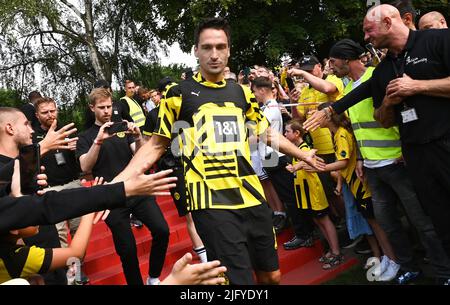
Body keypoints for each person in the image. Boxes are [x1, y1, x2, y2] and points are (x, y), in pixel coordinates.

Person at [109, 17, 323, 285]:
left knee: (272, 275)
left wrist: (303, 154)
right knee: (239, 281)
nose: (214, 54)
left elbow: (265, 133)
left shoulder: (242, 93)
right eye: (207, 47)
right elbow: (155, 145)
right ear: (196, 51)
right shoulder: (179, 94)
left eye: (220, 47)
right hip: (211, 204)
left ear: (229, 50)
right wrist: (116, 184)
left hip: (252, 196)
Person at [304, 4, 450, 284]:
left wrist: (418, 87)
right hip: (412, 156)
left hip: (441, 146)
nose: (367, 39)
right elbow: (376, 111)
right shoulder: (384, 70)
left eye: (369, 31)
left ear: (388, 22)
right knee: (436, 219)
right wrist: (386, 103)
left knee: (426, 221)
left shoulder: (437, 40)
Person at [1, 160, 227, 285]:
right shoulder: (17, 259)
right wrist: (175, 282)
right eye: (31, 213)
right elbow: (76, 252)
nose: (40, 222)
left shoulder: (17, 252)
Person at [77, 88, 170, 285]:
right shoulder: (86, 137)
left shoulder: (122, 128)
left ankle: (153, 277)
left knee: (162, 230)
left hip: (137, 189)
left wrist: (137, 137)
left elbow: (141, 154)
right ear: (92, 108)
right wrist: (98, 141)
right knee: (127, 250)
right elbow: (85, 166)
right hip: (111, 198)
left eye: (109, 106)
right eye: (101, 107)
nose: (106, 111)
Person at [284, 119, 343, 270]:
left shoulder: (305, 148)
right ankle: (331, 250)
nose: (284, 134)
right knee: (318, 221)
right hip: (305, 193)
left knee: (324, 220)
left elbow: (316, 159)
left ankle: (336, 253)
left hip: (313, 192)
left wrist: (298, 165)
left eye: (287, 131)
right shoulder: (296, 149)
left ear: (297, 134)